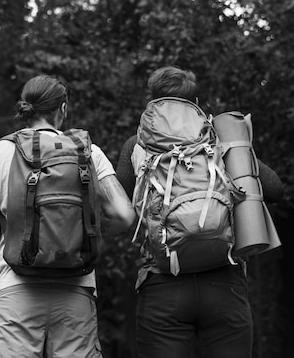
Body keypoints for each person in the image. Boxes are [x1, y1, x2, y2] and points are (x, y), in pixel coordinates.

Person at [115, 66, 284, 358]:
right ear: (196, 103)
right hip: (224, 284)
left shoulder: (136, 147)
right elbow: (275, 189)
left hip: (163, 285)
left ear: (153, 103)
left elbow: (121, 212)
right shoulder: (220, 142)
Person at [0, 75, 136, 358]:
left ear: (26, 109)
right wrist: (84, 231)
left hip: (15, 290)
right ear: (63, 109)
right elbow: (124, 215)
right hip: (76, 290)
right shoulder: (87, 152)